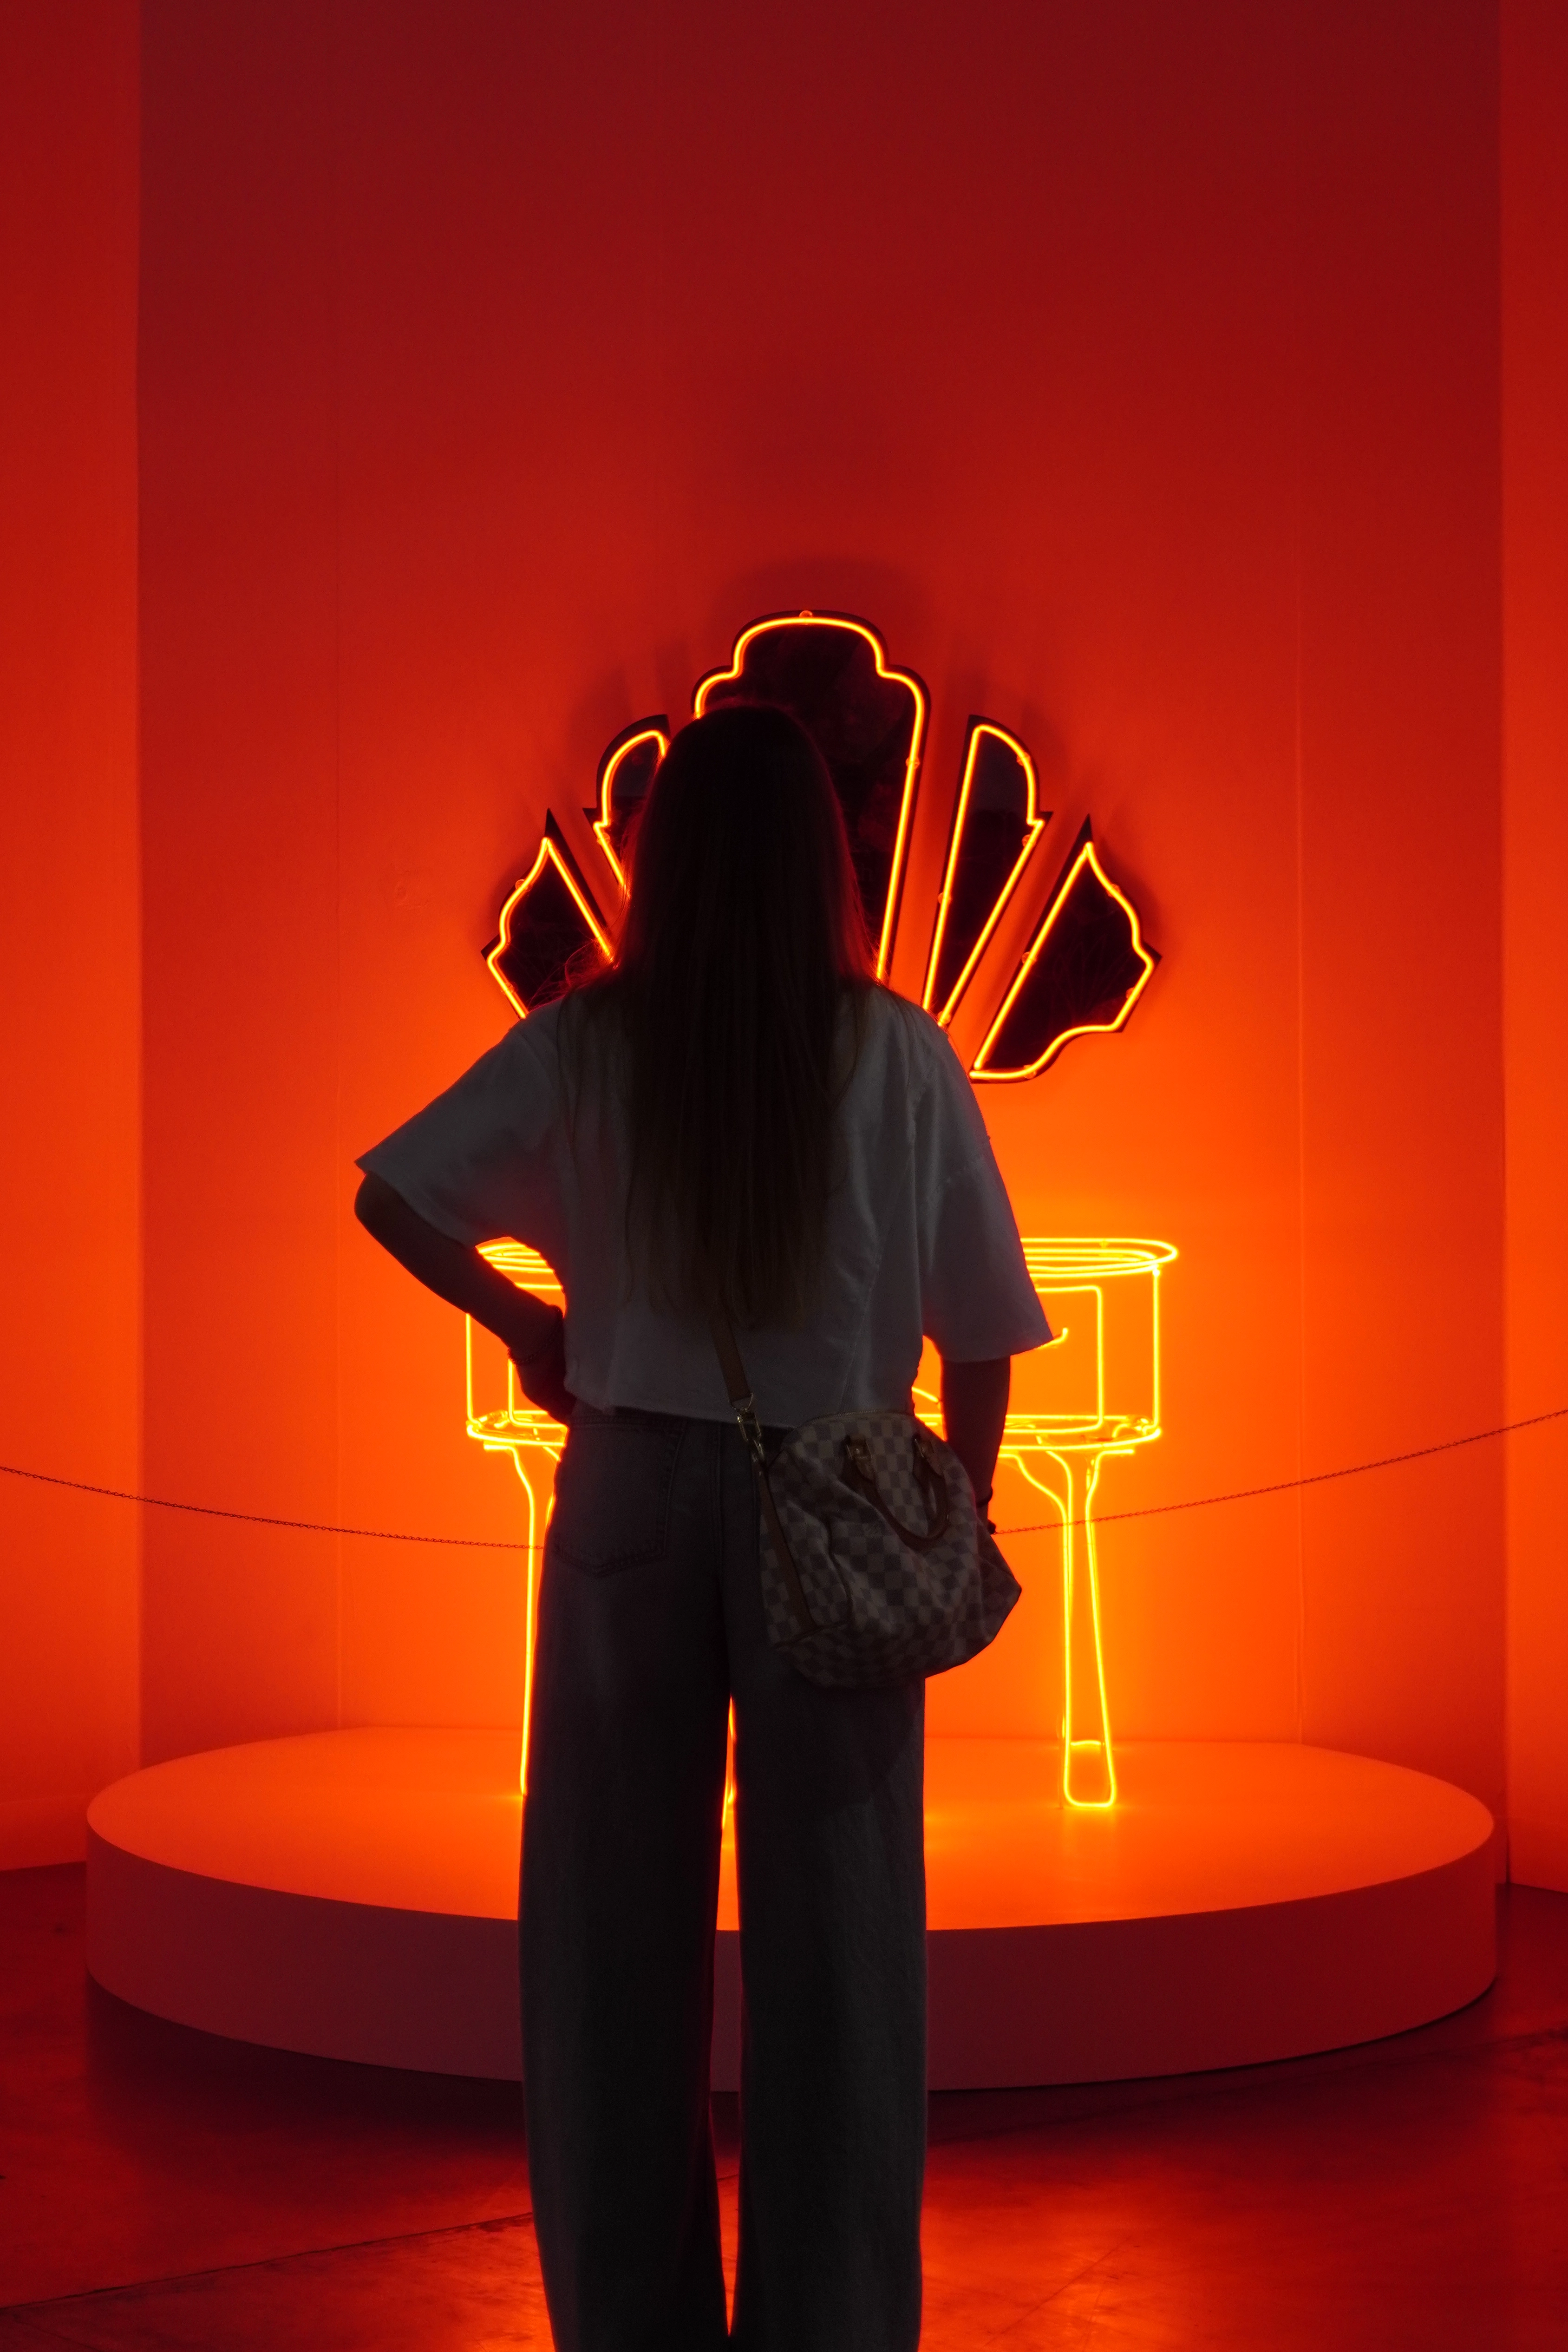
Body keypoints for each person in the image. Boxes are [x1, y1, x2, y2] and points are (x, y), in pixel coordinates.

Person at [354, 701, 1049, 2352]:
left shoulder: (592, 1043)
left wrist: (532, 1332)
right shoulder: (894, 1050)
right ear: (829, 857)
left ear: (658, 857)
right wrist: (958, 1491)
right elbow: (987, 1330)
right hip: (837, 1496)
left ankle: (630, 2321)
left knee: (607, 1938)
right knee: (847, 1945)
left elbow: (396, 1193)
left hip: (629, 1489)